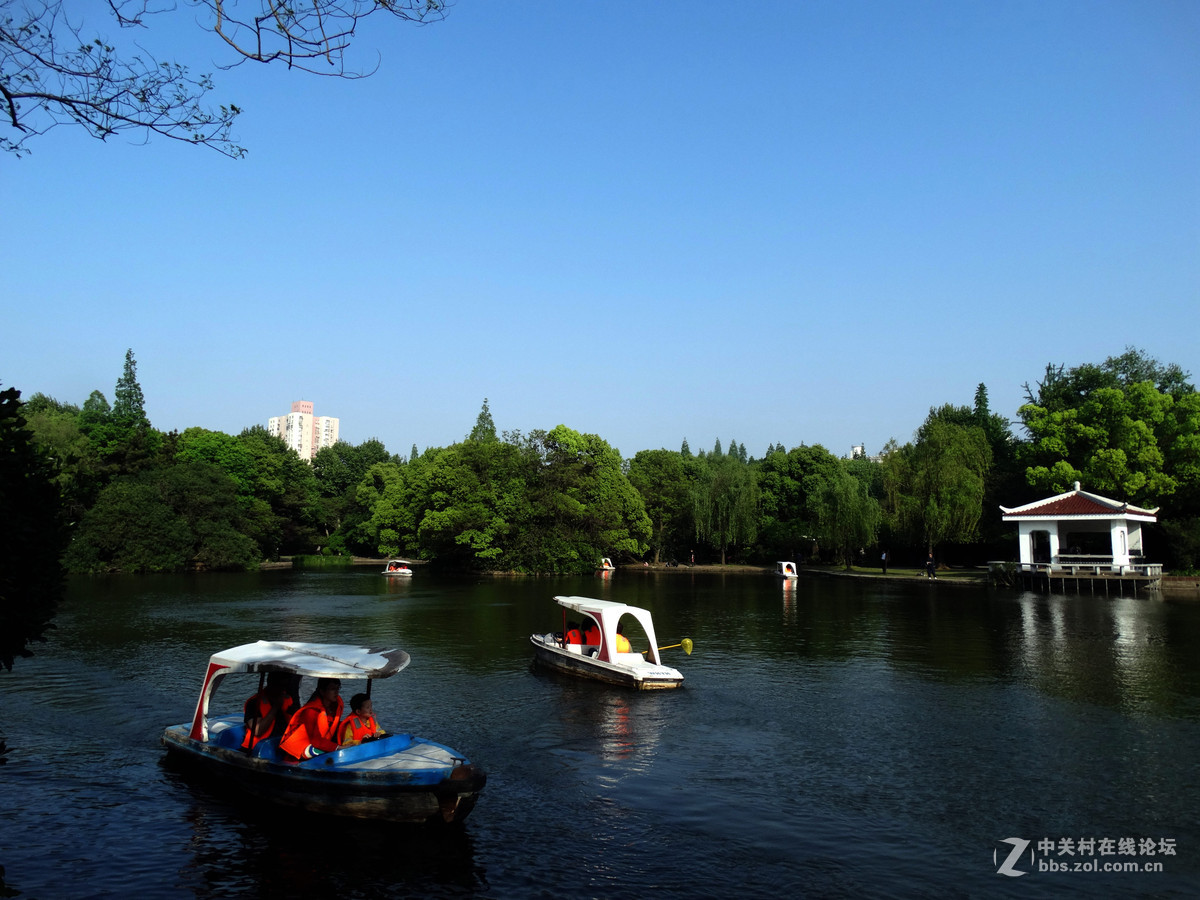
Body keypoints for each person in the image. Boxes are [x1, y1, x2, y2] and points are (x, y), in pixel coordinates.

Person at [280, 677, 344, 760]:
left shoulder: (335, 705)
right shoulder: (311, 711)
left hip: (319, 744)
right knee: (329, 751)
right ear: (322, 691)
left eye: (338, 688)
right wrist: (338, 747)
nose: (336, 692)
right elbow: (316, 741)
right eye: (332, 689)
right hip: (299, 751)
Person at [241, 671, 296, 753]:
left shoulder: (288, 699)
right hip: (256, 750)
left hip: (280, 745)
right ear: (270, 683)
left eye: (285, 686)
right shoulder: (254, 703)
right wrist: (275, 707)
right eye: (280, 686)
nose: (282, 690)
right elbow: (257, 730)